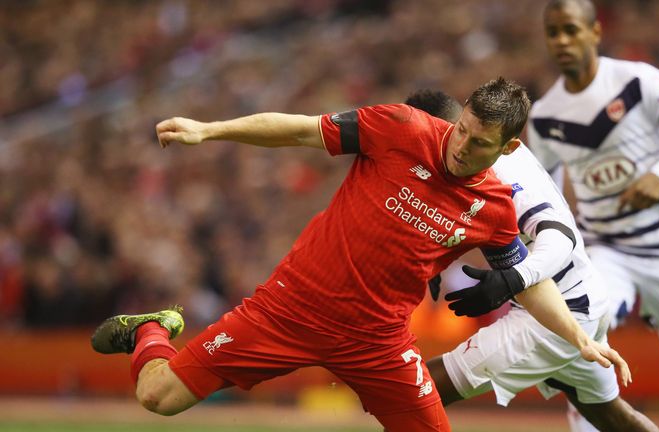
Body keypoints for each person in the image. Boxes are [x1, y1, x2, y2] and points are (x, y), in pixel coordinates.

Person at [90, 77, 629, 432]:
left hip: (377, 342)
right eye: (460, 129)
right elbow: (301, 130)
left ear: (508, 148)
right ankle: (151, 332)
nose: (460, 146)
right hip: (289, 309)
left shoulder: (493, 206)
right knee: (157, 397)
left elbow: (528, 281)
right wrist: (211, 131)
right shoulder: (400, 127)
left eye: (479, 143)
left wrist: (580, 337)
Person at [406, 89, 659, 432]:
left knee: (414, 392)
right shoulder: (484, 146)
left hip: (558, 309)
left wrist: (514, 279)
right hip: (580, 298)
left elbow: (560, 238)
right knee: (611, 416)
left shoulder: (503, 173)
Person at [526, 1, 659, 431]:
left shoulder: (639, 81)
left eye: (571, 30)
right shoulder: (544, 117)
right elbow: (547, 196)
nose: (561, 40)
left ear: (595, 32)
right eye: (553, 32)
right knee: (585, 340)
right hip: (606, 250)